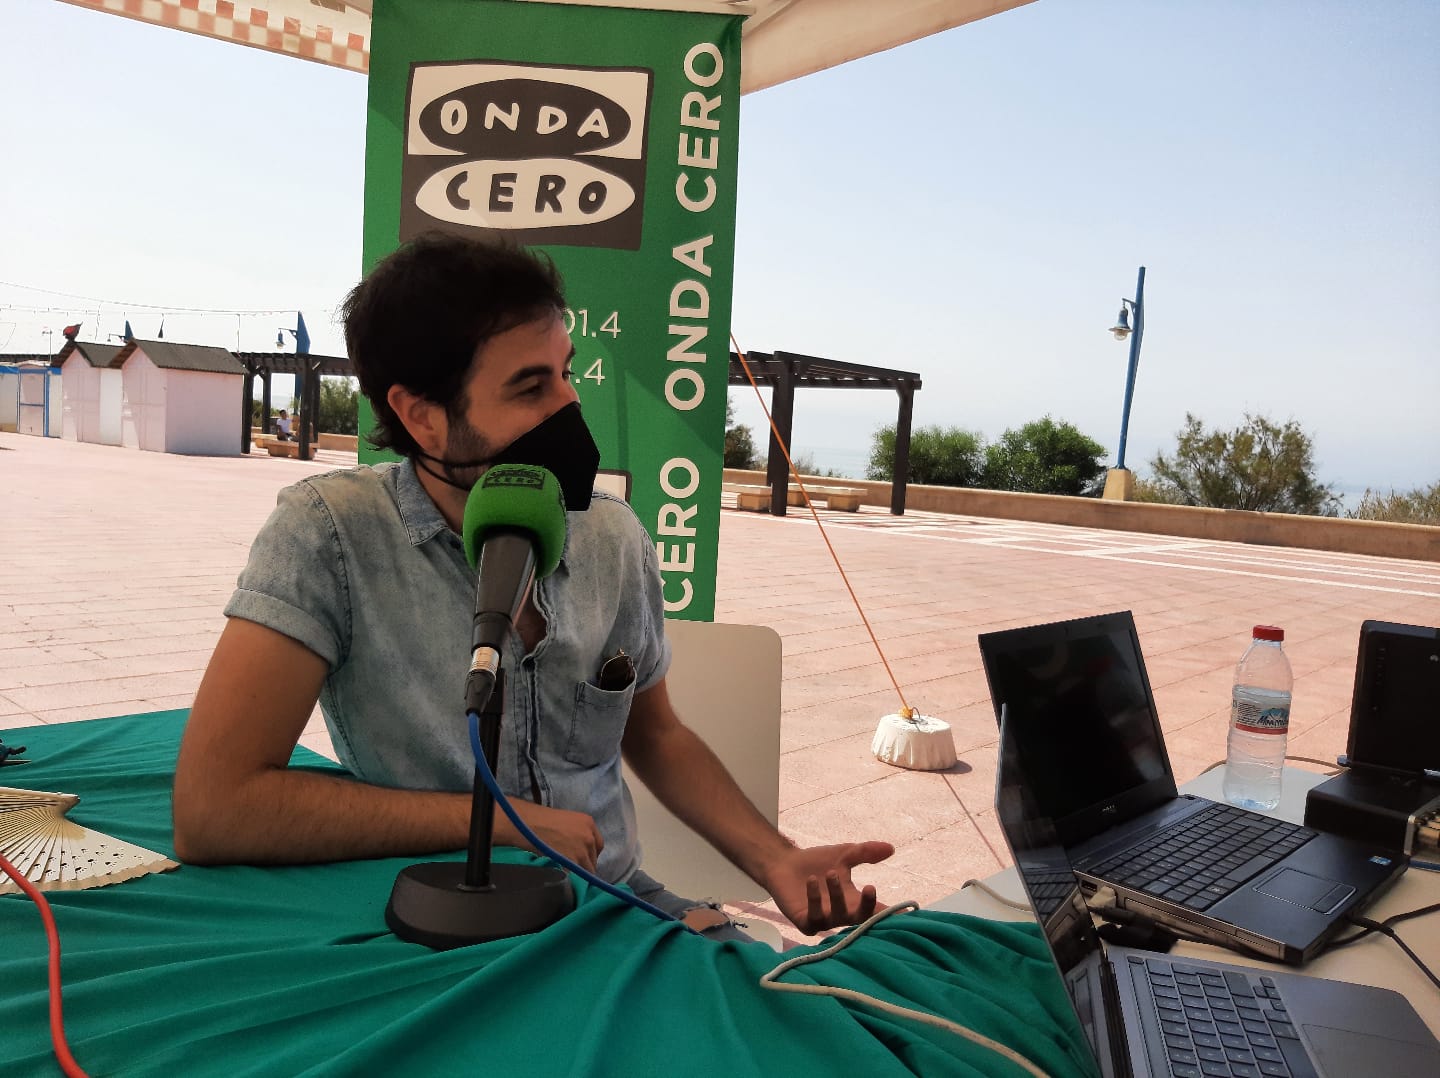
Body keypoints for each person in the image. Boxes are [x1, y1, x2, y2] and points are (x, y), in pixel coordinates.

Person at [172, 232, 893, 938]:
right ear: (422, 416)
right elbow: (216, 806)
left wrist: (777, 861)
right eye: (530, 386)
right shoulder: (329, 534)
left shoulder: (612, 536)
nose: (569, 406)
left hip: (615, 902)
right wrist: (508, 823)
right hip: (432, 910)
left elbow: (659, 735)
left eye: (566, 372)